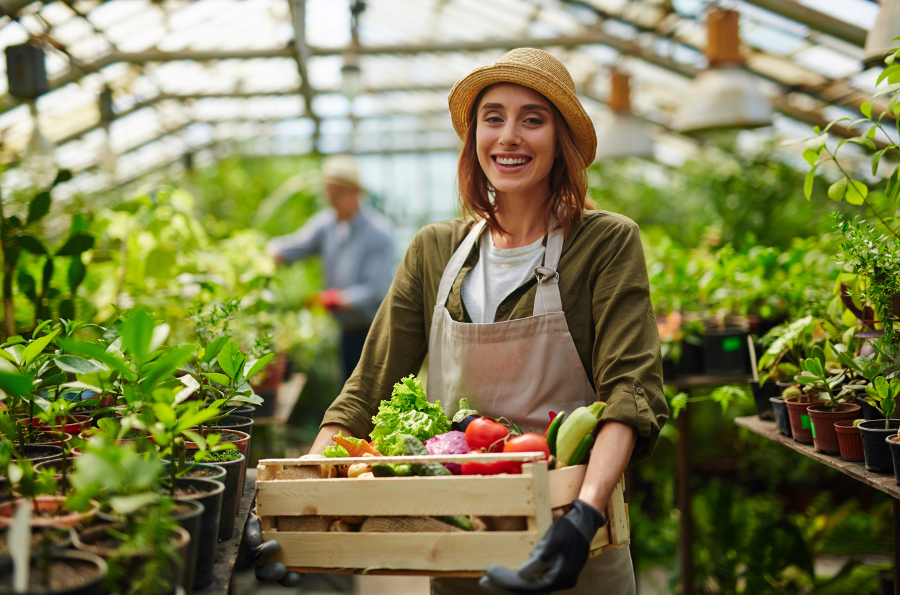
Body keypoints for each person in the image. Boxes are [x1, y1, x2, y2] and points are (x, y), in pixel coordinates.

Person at [251, 48, 667, 594]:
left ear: (560, 141)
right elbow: (364, 393)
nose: (509, 136)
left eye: (532, 119)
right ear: (474, 137)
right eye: (492, 118)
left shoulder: (604, 243)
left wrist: (585, 516)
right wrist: (305, 504)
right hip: (457, 543)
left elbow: (630, 394)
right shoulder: (434, 250)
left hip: (571, 544)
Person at [267, 155, 394, 380]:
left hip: (375, 331)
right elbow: (298, 246)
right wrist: (271, 251)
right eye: (328, 192)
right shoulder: (326, 225)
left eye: (337, 193)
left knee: (373, 390)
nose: (331, 199)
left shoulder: (379, 232)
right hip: (346, 329)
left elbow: (376, 289)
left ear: (355, 193)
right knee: (348, 386)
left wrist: (338, 299)